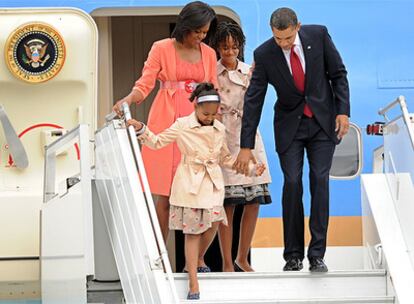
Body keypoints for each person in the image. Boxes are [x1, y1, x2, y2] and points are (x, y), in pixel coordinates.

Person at [234, 7, 350, 272]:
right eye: (278, 39)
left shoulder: (318, 35)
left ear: (297, 26)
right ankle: (293, 255)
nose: (283, 44)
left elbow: (338, 75)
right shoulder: (264, 54)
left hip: (322, 123)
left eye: (287, 39)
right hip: (290, 128)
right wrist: (245, 145)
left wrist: (343, 111)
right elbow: (254, 99)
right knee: (293, 183)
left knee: (320, 181)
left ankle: (317, 254)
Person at [127, 83, 265, 300]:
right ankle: (193, 281)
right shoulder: (182, 124)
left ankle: (196, 260)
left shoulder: (219, 128)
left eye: (213, 113)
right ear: (195, 107)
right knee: (192, 232)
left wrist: (250, 168)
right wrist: (142, 129)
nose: (210, 117)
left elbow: (226, 159)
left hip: (212, 184)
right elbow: (157, 142)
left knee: (214, 223)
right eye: (205, 113)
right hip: (190, 183)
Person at [112, 1, 218, 247]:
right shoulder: (161, 48)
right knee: (167, 193)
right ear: (185, 26)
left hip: (197, 124)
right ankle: (159, 251)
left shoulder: (210, 54)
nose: (201, 37)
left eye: (205, 32)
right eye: (197, 31)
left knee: (197, 192)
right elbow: (144, 85)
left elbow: (214, 93)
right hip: (167, 120)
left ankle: (196, 259)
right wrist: (127, 100)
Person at [211, 22, 272, 272]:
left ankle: (242, 257)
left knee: (254, 201)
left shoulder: (250, 71)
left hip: (249, 138)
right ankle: (226, 262)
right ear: (217, 47)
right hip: (224, 137)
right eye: (225, 47)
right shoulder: (211, 73)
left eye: (234, 47)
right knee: (229, 203)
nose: (229, 52)